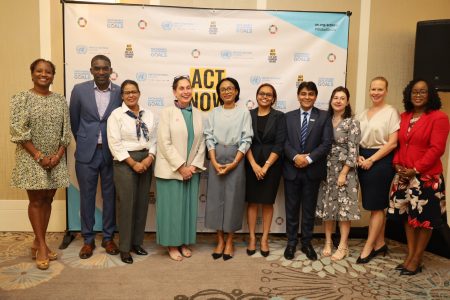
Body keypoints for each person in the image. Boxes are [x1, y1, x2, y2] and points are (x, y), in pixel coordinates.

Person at [10, 59, 71, 270]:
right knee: (36, 200)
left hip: (55, 158)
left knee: (48, 199)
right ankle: (43, 246)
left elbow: (66, 131)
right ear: (32, 73)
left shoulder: (60, 100)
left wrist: (57, 155)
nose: (44, 74)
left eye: (48, 72)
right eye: (39, 71)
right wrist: (39, 156)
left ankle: (38, 241)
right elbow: (18, 131)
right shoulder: (21, 99)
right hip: (31, 157)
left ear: (53, 76)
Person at [388, 78, 449, 275]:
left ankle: (417, 258)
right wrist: (397, 163)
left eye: (423, 91)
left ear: (430, 94)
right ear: (408, 94)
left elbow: (436, 149)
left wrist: (416, 169)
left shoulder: (439, 118)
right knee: (408, 217)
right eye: (414, 91)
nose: (418, 95)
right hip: (404, 176)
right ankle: (410, 254)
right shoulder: (404, 116)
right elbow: (398, 144)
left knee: (424, 220)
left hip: (426, 178)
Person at [69, 55, 122, 259]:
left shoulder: (119, 91)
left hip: (111, 152)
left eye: (105, 68)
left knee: (109, 197)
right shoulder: (79, 90)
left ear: (111, 70)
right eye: (97, 68)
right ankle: (88, 240)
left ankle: (108, 238)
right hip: (86, 152)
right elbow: (75, 120)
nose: (101, 72)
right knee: (87, 197)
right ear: (91, 70)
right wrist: (85, 140)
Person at [155, 76, 206, 261]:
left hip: (191, 172)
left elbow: (203, 143)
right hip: (171, 171)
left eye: (188, 87)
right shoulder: (167, 112)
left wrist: (192, 167)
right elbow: (164, 143)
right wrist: (181, 166)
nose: (186, 91)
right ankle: (171, 244)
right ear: (174, 92)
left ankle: (183, 241)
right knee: (172, 210)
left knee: (187, 209)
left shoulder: (199, 114)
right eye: (181, 88)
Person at [107, 80, 157, 264]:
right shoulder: (116, 115)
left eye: (134, 91)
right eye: (127, 92)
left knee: (142, 203)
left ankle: (137, 243)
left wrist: (149, 158)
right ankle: (125, 248)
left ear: (139, 93)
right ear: (122, 96)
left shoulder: (149, 114)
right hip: (124, 162)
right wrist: (132, 163)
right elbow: (115, 143)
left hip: (146, 160)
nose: (131, 95)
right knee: (126, 205)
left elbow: (154, 139)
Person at [283, 81, 333, 261]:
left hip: (312, 171)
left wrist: (309, 159)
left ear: (316, 97)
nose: (307, 97)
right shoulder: (287, 117)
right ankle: (291, 243)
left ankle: (306, 243)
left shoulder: (324, 117)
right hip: (292, 169)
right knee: (291, 208)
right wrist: (296, 157)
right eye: (303, 93)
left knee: (309, 210)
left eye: (311, 94)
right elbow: (284, 142)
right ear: (298, 96)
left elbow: (326, 143)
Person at [204, 77, 253, 260]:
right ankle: (220, 240)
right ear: (219, 93)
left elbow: (246, 139)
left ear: (237, 91)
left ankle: (230, 240)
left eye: (230, 88)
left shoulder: (243, 113)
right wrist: (214, 161)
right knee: (216, 199)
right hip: (216, 155)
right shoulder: (214, 113)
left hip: (236, 156)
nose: (227, 92)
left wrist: (235, 163)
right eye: (223, 89)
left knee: (233, 199)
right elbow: (208, 136)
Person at [356, 76, 400, 264]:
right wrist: (358, 156)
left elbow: (392, 143)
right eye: (373, 89)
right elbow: (356, 139)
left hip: (380, 160)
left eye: (379, 89)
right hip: (363, 159)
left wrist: (372, 160)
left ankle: (368, 247)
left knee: (376, 206)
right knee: (374, 205)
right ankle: (380, 243)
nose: (375, 92)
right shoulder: (362, 113)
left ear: (386, 91)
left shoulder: (391, 112)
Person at [316, 86, 361, 261]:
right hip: (326, 169)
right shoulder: (325, 120)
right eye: (335, 97)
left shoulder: (352, 122)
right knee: (328, 207)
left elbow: (353, 150)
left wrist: (344, 172)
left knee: (344, 210)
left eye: (342, 98)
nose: (338, 100)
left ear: (347, 102)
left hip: (345, 171)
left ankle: (343, 245)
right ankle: (328, 242)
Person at [245, 83, 286, 257]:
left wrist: (266, 166)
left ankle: (264, 239)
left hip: (272, 165)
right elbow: (245, 141)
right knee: (253, 202)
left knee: (268, 202)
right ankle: (253, 238)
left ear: (273, 98)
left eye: (269, 95)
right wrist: (254, 165)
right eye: (262, 93)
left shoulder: (279, 117)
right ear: (256, 95)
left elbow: (280, 144)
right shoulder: (248, 115)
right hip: (251, 163)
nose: (265, 97)